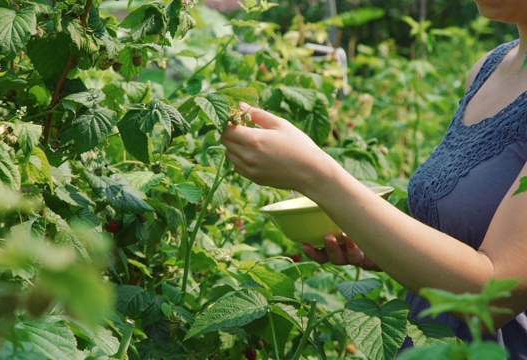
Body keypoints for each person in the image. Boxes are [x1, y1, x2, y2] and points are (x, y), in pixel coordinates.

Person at [221, 0, 527, 358]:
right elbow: (464, 235)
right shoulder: (488, 70)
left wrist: (316, 175)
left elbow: (492, 297)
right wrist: (378, 241)